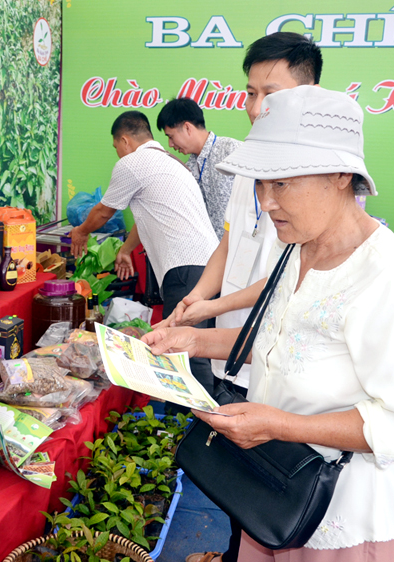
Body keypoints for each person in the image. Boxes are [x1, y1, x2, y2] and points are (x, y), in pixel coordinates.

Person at [143, 86, 394, 562]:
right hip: (271, 492)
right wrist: (193, 339)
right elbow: (278, 339)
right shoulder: (297, 248)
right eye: (260, 185)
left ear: (342, 174)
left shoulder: (389, 278)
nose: (266, 202)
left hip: (341, 511)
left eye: (281, 184)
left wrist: (280, 425)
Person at [158, 33, 323, 562]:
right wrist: (199, 298)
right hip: (233, 342)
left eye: (267, 93)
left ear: (310, 93)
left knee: (272, 471)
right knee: (235, 464)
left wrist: (210, 309)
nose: (253, 107)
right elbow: (231, 244)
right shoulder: (246, 162)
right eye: (249, 92)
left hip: (273, 349)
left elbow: (286, 276)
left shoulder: (318, 175)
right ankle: (233, 552)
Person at [69, 110, 219, 388]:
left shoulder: (134, 163)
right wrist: (126, 249)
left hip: (185, 269)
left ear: (124, 141)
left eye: (116, 148)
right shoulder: (170, 163)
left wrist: (80, 231)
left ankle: (197, 424)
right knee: (201, 349)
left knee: (185, 354)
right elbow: (149, 216)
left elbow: (103, 212)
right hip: (209, 268)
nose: (118, 154)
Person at [156, 98, 241, 241]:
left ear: (188, 128)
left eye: (171, 137)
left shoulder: (231, 150)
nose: (170, 144)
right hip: (209, 253)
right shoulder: (187, 168)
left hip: (239, 248)